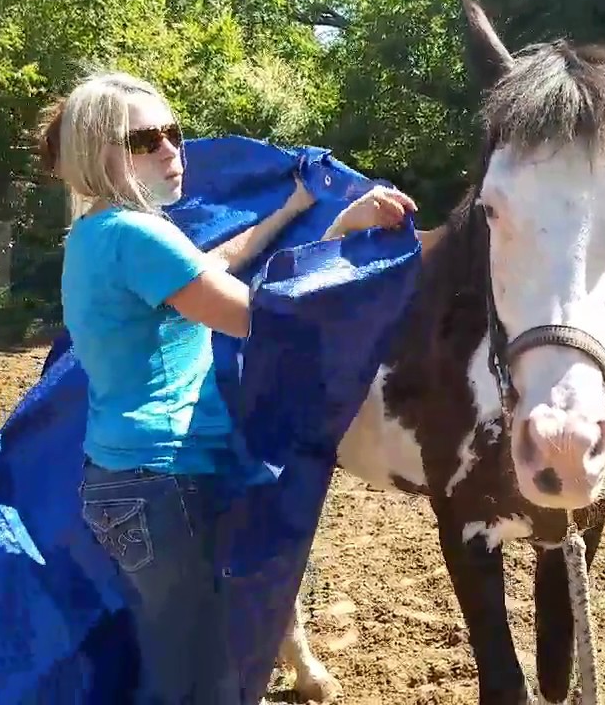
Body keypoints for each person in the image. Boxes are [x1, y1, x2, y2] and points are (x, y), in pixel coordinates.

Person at [34, 70, 438, 703]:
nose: (171, 151)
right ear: (97, 153)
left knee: (179, 662)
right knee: (201, 677)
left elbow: (219, 264)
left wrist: (293, 212)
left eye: (173, 133)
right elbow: (263, 317)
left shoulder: (99, 232)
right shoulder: (138, 235)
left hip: (129, 481)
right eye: (144, 140)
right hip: (162, 483)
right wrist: (346, 236)